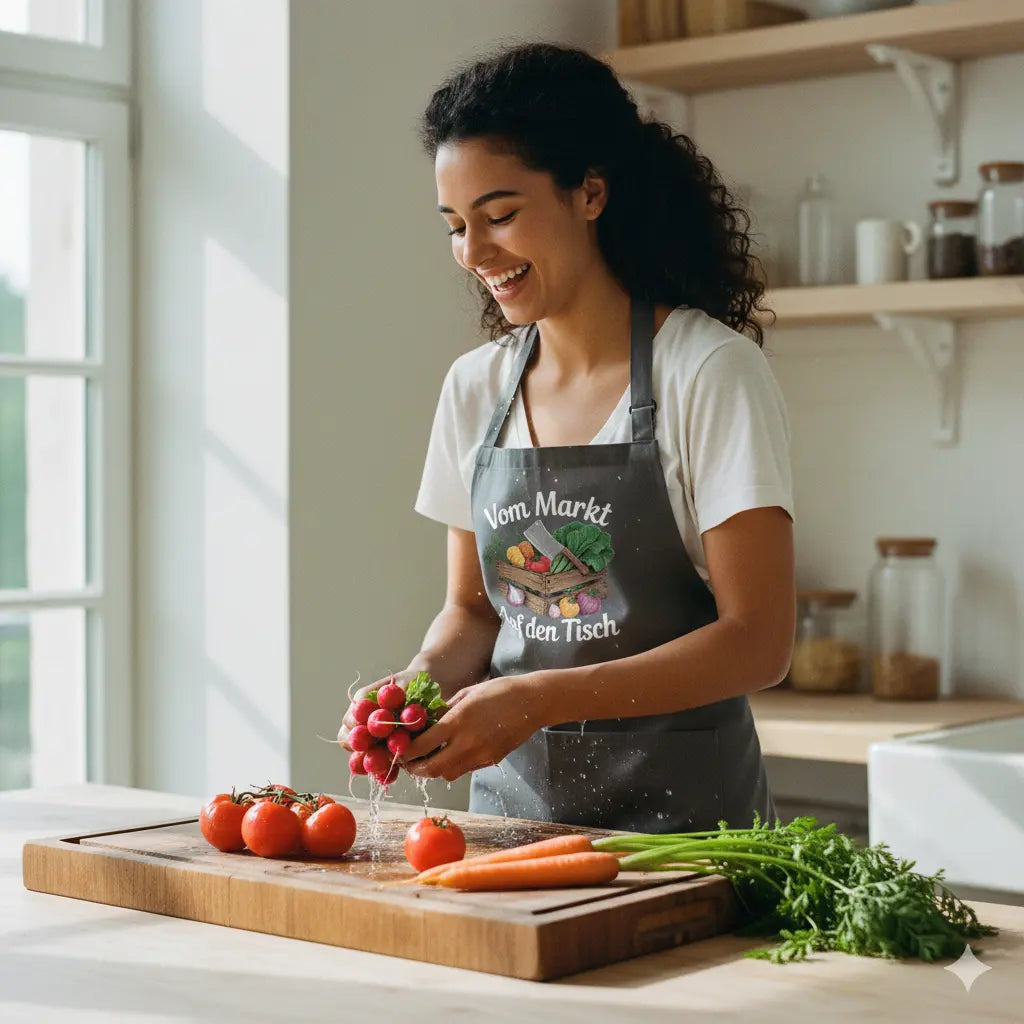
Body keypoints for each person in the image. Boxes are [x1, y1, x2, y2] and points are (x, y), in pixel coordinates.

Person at [339, 40, 795, 833]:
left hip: (688, 835)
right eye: (455, 225)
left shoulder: (710, 370)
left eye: (501, 215)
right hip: (512, 831)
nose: (474, 254)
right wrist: (415, 690)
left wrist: (536, 699)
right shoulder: (475, 386)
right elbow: (473, 613)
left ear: (590, 193)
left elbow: (758, 643)